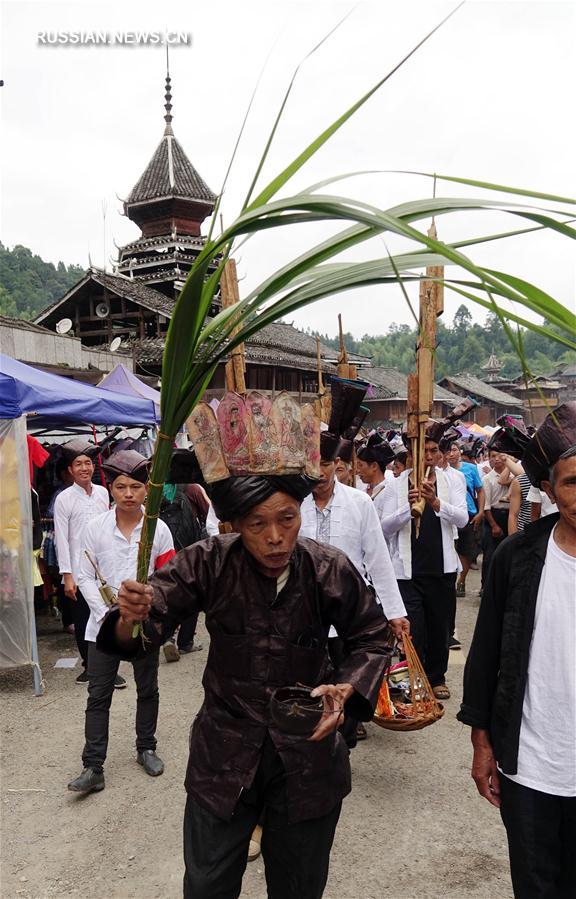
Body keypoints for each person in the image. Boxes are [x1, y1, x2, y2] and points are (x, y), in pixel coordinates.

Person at [97, 474, 391, 899]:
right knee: (207, 884)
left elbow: (373, 637)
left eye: (287, 519)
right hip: (224, 751)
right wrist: (129, 617)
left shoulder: (328, 567)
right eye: (257, 525)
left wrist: (346, 688)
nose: (275, 537)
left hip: (306, 751)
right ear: (235, 525)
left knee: (298, 884)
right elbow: (142, 631)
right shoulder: (206, 562)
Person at [458, 402, 576, 899]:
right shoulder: (518, 557)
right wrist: (482, 743)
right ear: (548, 490)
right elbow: (486, 655)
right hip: (534, 765)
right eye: (572, 482)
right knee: (535, 885)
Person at [68, 450, 175, 795]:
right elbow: (84, 575)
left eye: (135, 487)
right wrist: (108, 613)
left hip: (144, 625)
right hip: (101, 626)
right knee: (98, 694)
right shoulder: (94, 528)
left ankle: (146, 747)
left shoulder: (159, 529)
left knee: (148, 688)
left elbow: (168, 577)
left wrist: (145, 612)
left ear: (147, 490)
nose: (128, 494)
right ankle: (93, 765)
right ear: (110, 490)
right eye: (120, 487)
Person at [300, 434, 409, 747]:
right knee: (308, 686)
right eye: (313, 464)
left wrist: (394, 612)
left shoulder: (359, 503)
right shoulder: (293, 503)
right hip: (304, 615)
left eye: (325, 463)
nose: (319, 472)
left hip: (350, 617)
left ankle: (342, 744)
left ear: (337, 465)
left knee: (350, 681)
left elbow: (377, 559)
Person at [381, 429, 468, 700]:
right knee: (413, 630)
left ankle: (436, 676)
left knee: (439, 627)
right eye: (423, 451)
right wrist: (407, 508)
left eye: (433, 451)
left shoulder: (453, 479)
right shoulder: (396, 484)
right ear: (411, 453)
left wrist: (435, 501)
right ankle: (413, 680)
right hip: (407, 571)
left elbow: (463, 519)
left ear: (440, 453)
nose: (428, 457)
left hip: (440, 569)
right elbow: (384, 527)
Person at [53, 437, 112, 685]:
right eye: (79, 464)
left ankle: (108, 665)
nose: (85, 468)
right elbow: (62, 540)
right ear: (70, 470)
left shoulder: (102, 493)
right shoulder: (64, 499)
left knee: (107, 614)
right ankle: (89, 665)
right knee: (83, 617)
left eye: (88, 463)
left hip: (103, 567)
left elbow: (109, 528)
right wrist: (67, 575)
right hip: (78, 569)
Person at [447, 440, 485, 597]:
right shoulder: (441, 472)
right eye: (449, 450)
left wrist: (481, 511)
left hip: (469, 514)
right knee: (450, 547)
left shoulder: (471, 469)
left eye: (454, 449)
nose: (452, 453)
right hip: (449, 513)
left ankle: (461, 580)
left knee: (466, 550)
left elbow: (480, 490)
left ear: (460, 452)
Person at [480, 449, 515, 589]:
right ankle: (486, 587)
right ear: (489, 459)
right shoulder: (487, 479)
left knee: (508, 554)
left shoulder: (512, 475)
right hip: (493, 516)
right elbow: (486, 506)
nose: (497, 459)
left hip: (510, 515)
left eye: (500, 456)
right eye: (493, 456)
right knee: (490, 556)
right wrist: (494, 525)